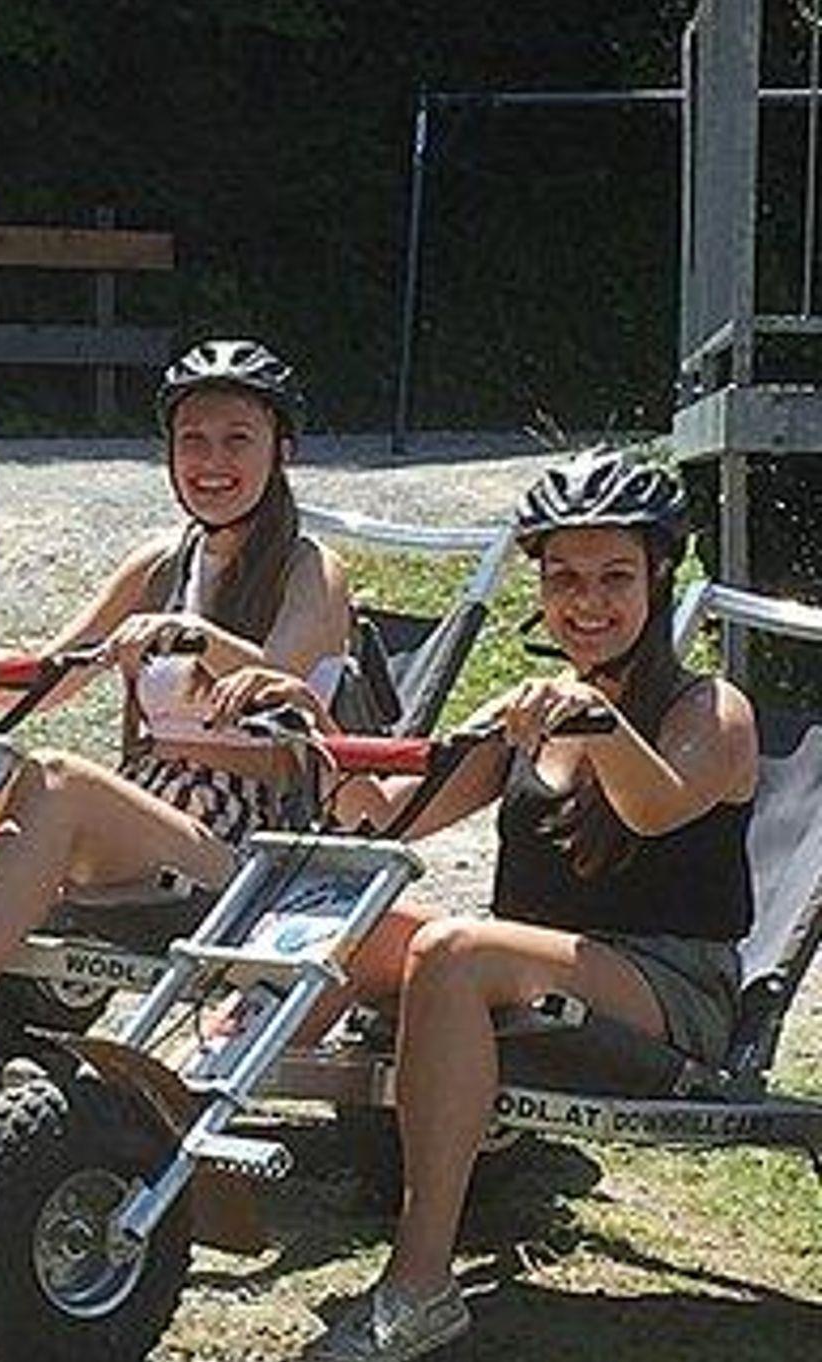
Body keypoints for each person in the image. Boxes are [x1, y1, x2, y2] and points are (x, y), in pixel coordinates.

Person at [224, 451, 757, 1362]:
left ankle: (420, 1283)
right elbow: (385, 818)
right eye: (564, 580)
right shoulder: (534, 719)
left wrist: (593, 718)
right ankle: (174, 1133)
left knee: (453, 949)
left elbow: (654, 807)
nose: (587, 603)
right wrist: (310, 724)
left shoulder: (712, 710)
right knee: (345, 920)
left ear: (660, 576)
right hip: (539, 967)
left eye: (615, 578)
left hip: (671, 991)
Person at [0, 338, 352, 1075]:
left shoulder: (311, 569)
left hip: (242, 850)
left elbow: (277, 677)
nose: (211, 461)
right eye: (192, 439)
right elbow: (42, 680)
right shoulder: (161, 564)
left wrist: (196, 637)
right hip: (144, 821)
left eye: (237, 440)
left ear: (281, 451)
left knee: (58, 780)